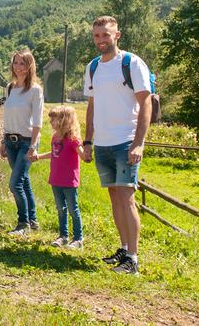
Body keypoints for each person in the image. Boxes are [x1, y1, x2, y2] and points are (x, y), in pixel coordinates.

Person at [83, 16, 153, 274]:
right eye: (97, 36)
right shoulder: (93, 67)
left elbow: (145, 102)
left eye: (106, 34)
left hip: (125, 142)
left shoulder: (131, 63)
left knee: (127, 198)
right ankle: (124, 248)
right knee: (114, 198)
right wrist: (88, 141)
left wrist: (138, 143)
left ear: (117, 35)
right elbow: (92, 106)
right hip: (102, 144)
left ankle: (133, 259)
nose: (101, 40)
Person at [0, 48, 44, 235]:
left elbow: (38, 121)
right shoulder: (10, 88)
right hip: (11, 141)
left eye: (23, 63)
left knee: (15, 183)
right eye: (16, 63)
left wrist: (33, 147)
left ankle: (23, 223)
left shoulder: (35, 90)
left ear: (30, 66)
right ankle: (32, 220)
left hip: (27, 141)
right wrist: (3, 141)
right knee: (24, 182)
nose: (18, 67)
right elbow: (8, 118)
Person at [31, 106, 87, 249]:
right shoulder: (55, 137)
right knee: (61, 209)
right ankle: (63, 236)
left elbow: (82, 154)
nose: (50, 121)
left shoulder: (73, 139)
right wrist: (39, 157)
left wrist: (88, 152)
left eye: (53, 119)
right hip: (56, 179)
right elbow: (55, 153)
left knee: (73, 209)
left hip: (69, 181)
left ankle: (78, 239)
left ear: (63, 120)